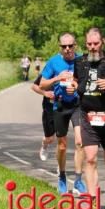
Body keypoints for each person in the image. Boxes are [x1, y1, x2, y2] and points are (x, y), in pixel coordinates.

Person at [67, 27, 105, 209]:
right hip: (87, 115)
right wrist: (73, 86)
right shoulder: (80, 61)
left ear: (103, 42)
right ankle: (93, 202)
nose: (92, 47)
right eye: (89, 44)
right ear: (86, 44)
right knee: (90, 158)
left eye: (96, 43)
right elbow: (76, 81)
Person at [39, 33, 86, 195]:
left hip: (77, 105)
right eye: (64, 46)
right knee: (62, 145)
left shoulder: (82, 61)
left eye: (70, 46)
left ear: (75, 46)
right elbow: (42, 84)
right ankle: (63, 177)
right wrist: (57, 78)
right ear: (60, 47)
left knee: (80, 142)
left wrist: (76, 85)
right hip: (60, 106)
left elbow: (88, 82)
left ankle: (78, 181)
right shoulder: (53, 62)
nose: (67, 49)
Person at [31, 75, 56, 161]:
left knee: (62, 139)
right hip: (49, 108)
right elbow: (34, 86)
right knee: (50, 138)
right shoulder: (48, 71)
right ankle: (44, 147)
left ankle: (61, 169)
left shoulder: (69, 70)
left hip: (63, 108)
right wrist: (45, 93)